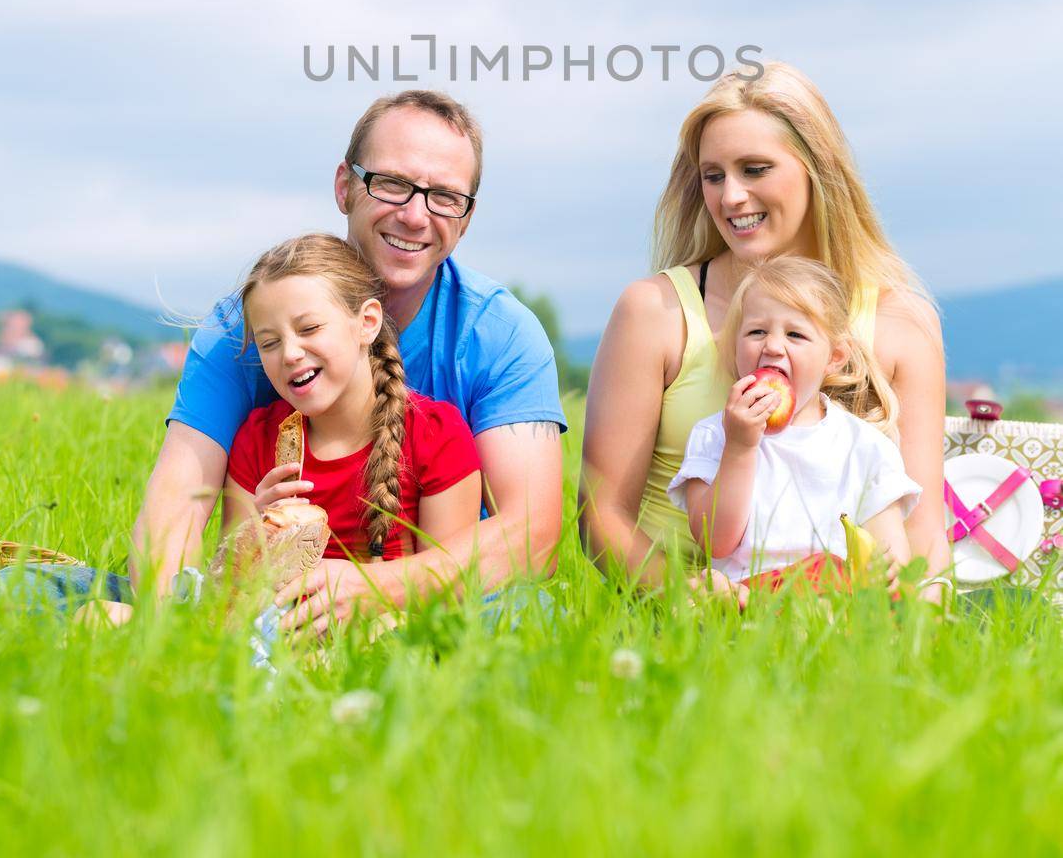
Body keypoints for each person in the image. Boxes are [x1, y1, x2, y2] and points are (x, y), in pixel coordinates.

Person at [133, 90, 565, 631]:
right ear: (345, 186)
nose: (414, 216)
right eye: (392, 184)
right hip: (271, 602)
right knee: (31, 588)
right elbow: (177, 503)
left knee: (529, 615)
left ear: (467, 217)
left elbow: (533, 536)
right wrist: (164, 629)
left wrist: (376, 589)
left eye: (446, 197)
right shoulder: (240, 330)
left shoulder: (502, 335)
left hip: (429, 598)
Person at [579, 62, 948, 591]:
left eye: (755, 170)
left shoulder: (900, 322)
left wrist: (918, 628)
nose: (730, 197)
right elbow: (602, 517)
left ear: (818, 171)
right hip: (683, 624)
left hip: (846, 630)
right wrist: (691, 602)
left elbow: (924, 532)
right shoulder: (654, 312)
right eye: (713, 175)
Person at [80, 233, 484, 630]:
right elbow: (233, 597)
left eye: (309, 330)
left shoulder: (436, 434)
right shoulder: (258, 438)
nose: (289, 354)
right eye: (269, 342)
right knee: (96, 616)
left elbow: (445, 591)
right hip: (270, 632)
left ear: (367, 323)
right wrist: (254, 534)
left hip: (375, 630)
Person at [668, 257, 919, 591]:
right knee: (710, 589)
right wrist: (740, 447)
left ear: (835, 357)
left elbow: (890, 552)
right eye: (756, 331)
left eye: (795, 334)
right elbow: (715, 541)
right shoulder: (715, 435)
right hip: (749, 591)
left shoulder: (865, 447)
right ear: (735, 344)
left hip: (835, 593)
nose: (772, 345)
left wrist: (887, 575)